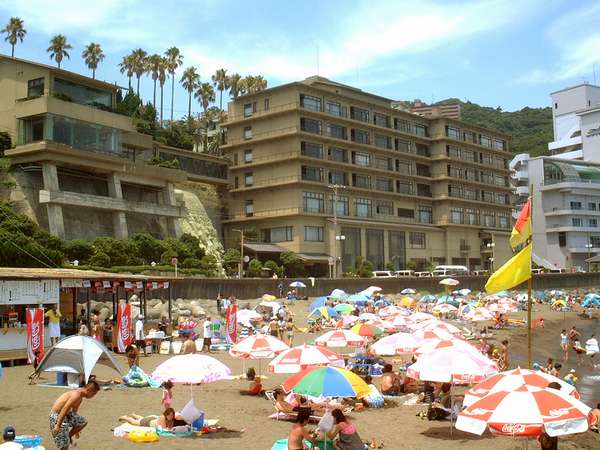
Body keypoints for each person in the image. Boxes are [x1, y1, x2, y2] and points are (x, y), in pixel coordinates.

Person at [49, 380, 99, 450]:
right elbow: (64, 409)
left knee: (82, 421)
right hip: (57, 416)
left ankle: (68, 436)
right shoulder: (76, 395)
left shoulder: (80, 397)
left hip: (66, 415)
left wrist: (76, 429)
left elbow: (74, 412)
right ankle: (66, 439)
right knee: (64, 446)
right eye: (93, 394)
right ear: (88, 390)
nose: (93, 396)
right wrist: (57, 425)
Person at [119, 408, 187, 430]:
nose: (171, 417)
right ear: (166, 414)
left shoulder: (172, 418)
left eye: (172, 415)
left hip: (153, 419)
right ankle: (125, 417)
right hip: (148, 422)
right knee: (134, 422)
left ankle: (134, 415)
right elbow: (163, 429)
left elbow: (179, 416)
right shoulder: (163, 417)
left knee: (142, 418)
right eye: (169, 415)